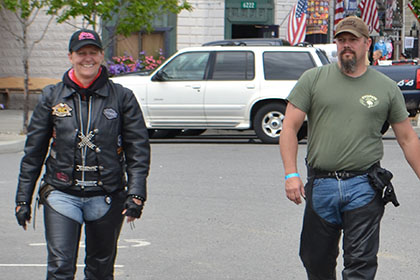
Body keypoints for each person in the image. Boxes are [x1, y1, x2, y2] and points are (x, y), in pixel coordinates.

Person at [279, 16, 420, 279]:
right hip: (321, 185)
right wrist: (291, 173)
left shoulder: (386, 88)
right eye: (341, 40)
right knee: (315, 260)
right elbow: (289, 128)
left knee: (360, 264)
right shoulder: (313, 79)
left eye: (353, 40)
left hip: (364, 186)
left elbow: (408, 139)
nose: (346, 45)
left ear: (367, 43)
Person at [14, 29, 150, 279]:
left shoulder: (122, 97)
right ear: (70, 57)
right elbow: (33, 152)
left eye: (93, 53)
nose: (87, 58)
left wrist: (137, 194)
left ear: (101, 56)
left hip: (106, 195)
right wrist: (23, 198)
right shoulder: (52, 96)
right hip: (62, 194)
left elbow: (138, 151)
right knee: (60, 267)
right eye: (81, 53)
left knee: (100, 270)